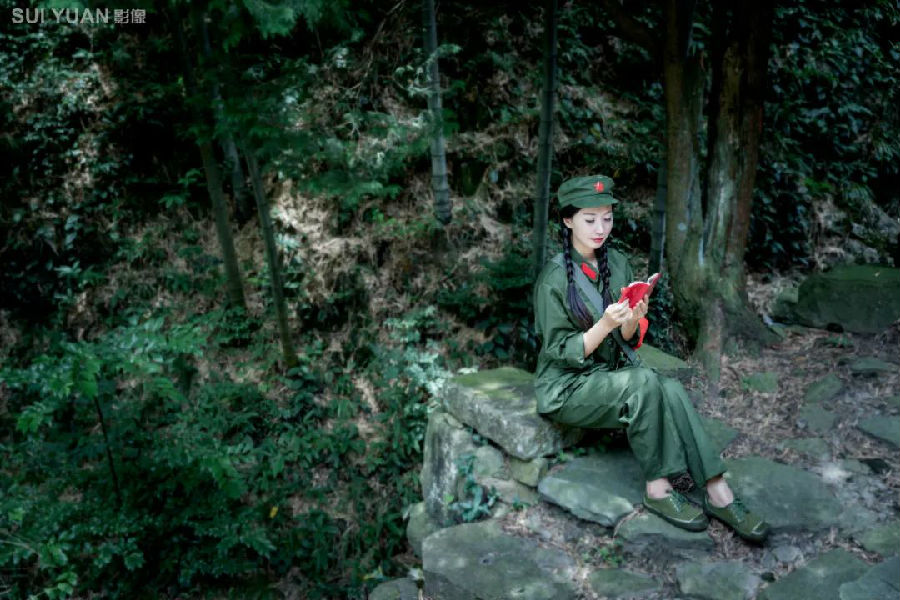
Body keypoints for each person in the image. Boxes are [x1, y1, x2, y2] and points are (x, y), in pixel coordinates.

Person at [532, 174, 769, 543]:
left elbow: (627, 339)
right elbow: (561, 351)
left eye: (607, 218)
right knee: (643, 382)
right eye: (589, 219)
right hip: (566, 386)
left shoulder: (618, 263)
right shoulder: (553, 280)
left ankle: (717, 490)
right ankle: (658, 489)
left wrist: (633, 318)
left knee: (670, 388)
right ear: (568, 221)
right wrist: (604, 324)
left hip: (608, 376)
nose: (600, 229)